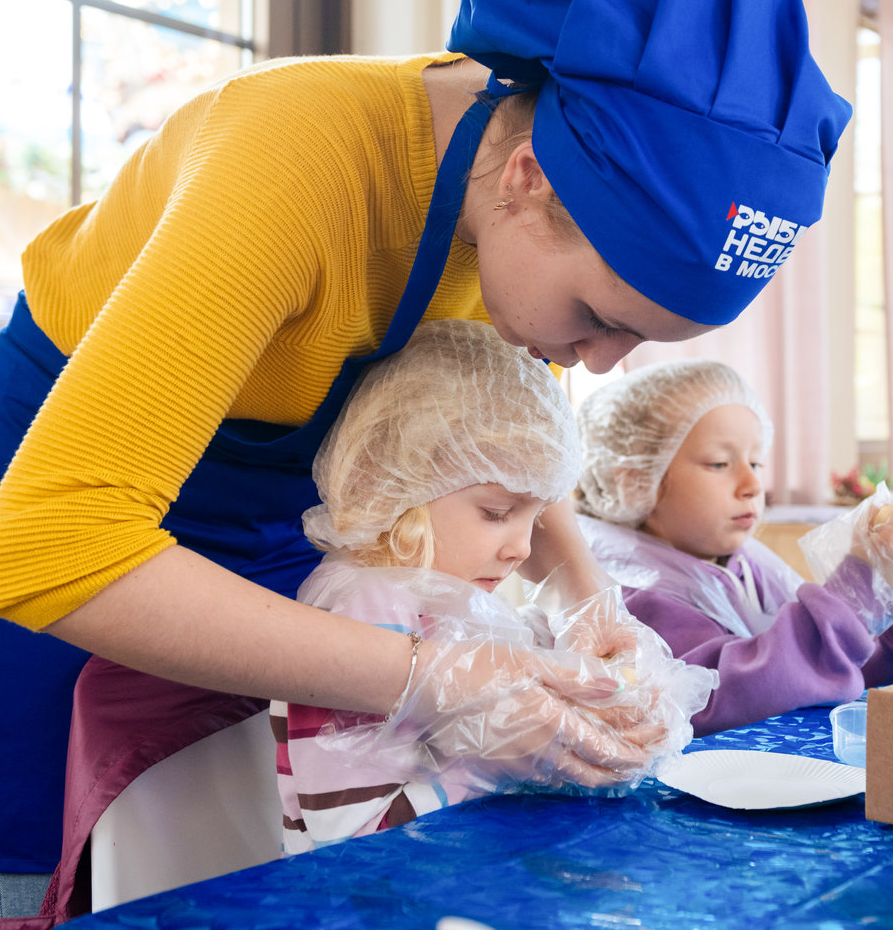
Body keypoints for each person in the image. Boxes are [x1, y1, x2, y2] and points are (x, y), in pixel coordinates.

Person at [0, 0, 851, 927]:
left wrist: (584, 594)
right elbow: (51, 544)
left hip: (285, 528)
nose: (600, 364)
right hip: (61, 514)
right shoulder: (292, 159)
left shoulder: (523, 195)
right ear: (530, 176)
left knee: (265, 860)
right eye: (598, 318)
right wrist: (433, 673)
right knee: (59, 883)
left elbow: (496, 428)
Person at [273, 319, 713, 852]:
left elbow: (490, 687)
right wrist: (496, 760)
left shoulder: (446, 592)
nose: (523, 549)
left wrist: (598, 703)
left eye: (534, 516)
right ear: (397, 485)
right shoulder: (363, 605)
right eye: (496, 512)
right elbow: (350, 836)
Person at [574, 360, 893, 735]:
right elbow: (718, 699)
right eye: (719, 463)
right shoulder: (629, 596)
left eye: (756, 463)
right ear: (632, 481)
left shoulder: (743, 567)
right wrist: (859, 591)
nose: (753, 486)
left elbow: (839, 672)